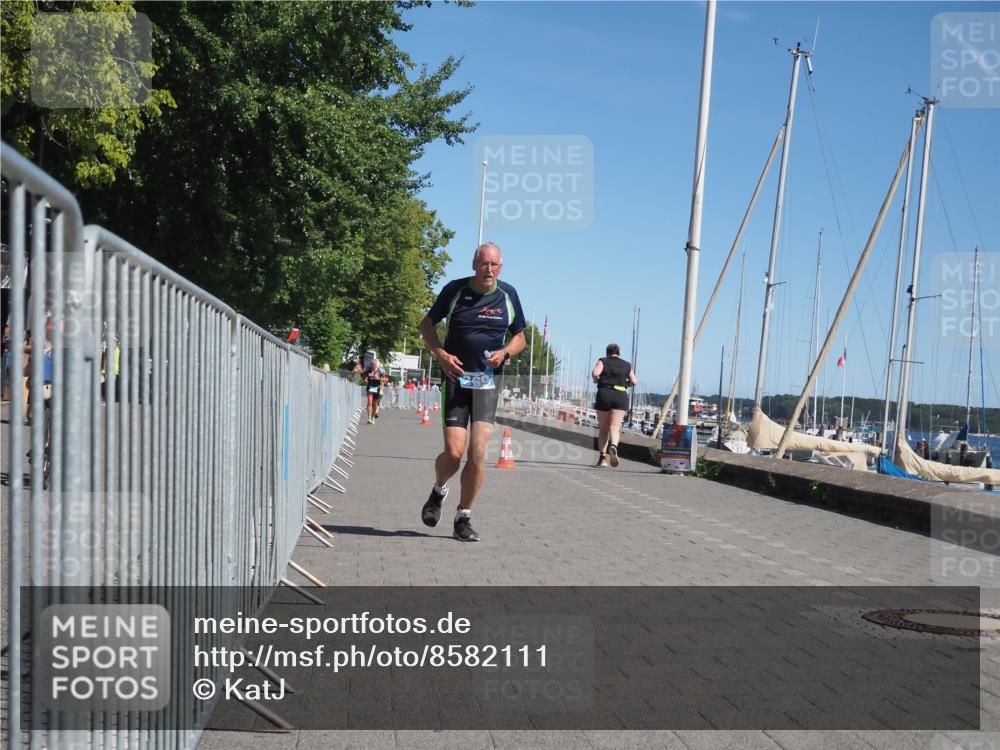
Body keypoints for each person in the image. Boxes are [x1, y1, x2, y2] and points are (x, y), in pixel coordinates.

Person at [418, 242, 526, 542]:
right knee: (453, 453)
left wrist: (505, 353)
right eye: (484, 264)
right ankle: (439, 489)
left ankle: (463, 517)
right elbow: (426, 324)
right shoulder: (455, 290)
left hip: (487, 383)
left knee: (477, 454)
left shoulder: (508, 294)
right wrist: (441, 354)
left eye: (494, 265)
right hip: (456, 379)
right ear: (474, 265)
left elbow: (520, 338)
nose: (489, 270)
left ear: (500, 268)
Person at [591, 343, 637, 467]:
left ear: (607, 353)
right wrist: (625, 384)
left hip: (604, 394)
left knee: (603, 429)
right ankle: (613, 446)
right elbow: (634, 381)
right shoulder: (626, 364)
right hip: (620, 395)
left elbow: (595, 373)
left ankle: (602, 459)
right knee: (615, 427)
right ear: (618, 353)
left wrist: (597, 380)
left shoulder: (603, 361)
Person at [364, 359, 384, 424]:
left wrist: (378, 378)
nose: (372, 366)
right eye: (372, 365)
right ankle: (369, 418)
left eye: (374, 365)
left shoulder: (380, 371)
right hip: (370, 388)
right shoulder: (368, 370)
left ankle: (373, 417)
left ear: (376, 365)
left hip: (377, 388)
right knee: (369, 402)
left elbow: (385, 379)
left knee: (375, 404)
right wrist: (365, 380)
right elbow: (364, 377)